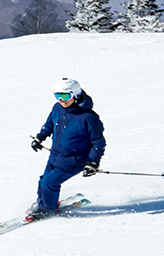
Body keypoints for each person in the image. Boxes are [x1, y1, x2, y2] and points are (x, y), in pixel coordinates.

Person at [27, 77, 107, 221]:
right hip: (56, 155)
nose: (61, 100)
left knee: (50, 183)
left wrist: (93, 162)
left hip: (75, 160)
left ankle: (46, 209)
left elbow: (98, 142)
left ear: (75, 95)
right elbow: (50, 123)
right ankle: (43, 204)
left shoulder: (89, 117)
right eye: (57, 96)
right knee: (43, 180)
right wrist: (40, 137)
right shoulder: (57, 108)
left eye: (65, 96)